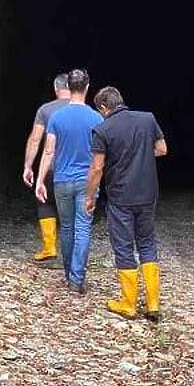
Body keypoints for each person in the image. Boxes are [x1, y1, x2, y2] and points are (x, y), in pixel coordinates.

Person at [84, 87, 168, 321]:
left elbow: (97, 168)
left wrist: (90, 197)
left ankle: (128, 304)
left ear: (103, 107)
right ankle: (153, 304)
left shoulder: (102, 130)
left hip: (121, 197)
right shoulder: (147, 119)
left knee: (123, 246)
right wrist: (139, 153)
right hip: (148, 193)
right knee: (147, 243)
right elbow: (162, 149)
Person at [36, 69, 103, 294]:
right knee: (82, 227)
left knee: (66, 227)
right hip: (87, 181)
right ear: (86, 87)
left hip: (61, 180)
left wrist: (40, 180)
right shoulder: (96, 118)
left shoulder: (56, 117)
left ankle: (67, 274)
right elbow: (101, 155)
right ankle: (77, 279)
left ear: (68, 87)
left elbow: (48, 151)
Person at [22, 73, 70, 264]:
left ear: (56, 88)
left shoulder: (46, 110)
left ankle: (49, 248)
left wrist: (28, 165)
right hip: (76, 170)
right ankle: (72, 256)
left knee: (45, 202)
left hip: (51, 169)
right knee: (73, 211)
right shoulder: (84, 110)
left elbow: (35, 139)